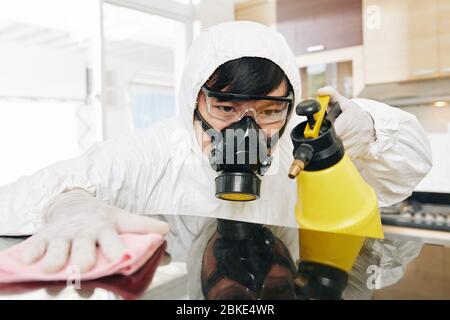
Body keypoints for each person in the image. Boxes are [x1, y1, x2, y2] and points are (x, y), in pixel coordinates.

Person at [0, 21, 432, 299]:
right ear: (195, 101)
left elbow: (403, 175)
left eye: (267, 111)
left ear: (290, 103)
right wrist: (70, 205)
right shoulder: (160, 149)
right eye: (225, 109)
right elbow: (18, 197)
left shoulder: (299, 151)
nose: (253, 278)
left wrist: (369, 129)